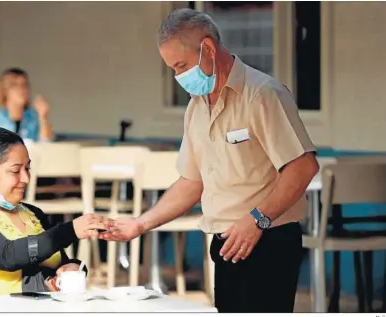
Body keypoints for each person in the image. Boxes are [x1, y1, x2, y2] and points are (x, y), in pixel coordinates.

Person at [101, 8, 319, 313]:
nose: (178, 76)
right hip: (225, 243)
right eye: (172, 69)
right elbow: (192, 181)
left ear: (207, 48)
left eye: (181, 65)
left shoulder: (262, 95)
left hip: (268, 239)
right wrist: (140, 223)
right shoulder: (196, 108)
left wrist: (257, 219)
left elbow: (303, 166)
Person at [0, 127, 111, 298]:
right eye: (15, 171)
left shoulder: (33, 214)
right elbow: (8, 256)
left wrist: (70, 268)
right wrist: (71, 231)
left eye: (27, 169)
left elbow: (55, 260)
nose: (26, 178)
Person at [0, 68, 53, 142]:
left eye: (24, 84)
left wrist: (43, 117)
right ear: (4, 89)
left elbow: (46, 144)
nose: (22, 89)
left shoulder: (33, 116)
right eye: (15, 85)